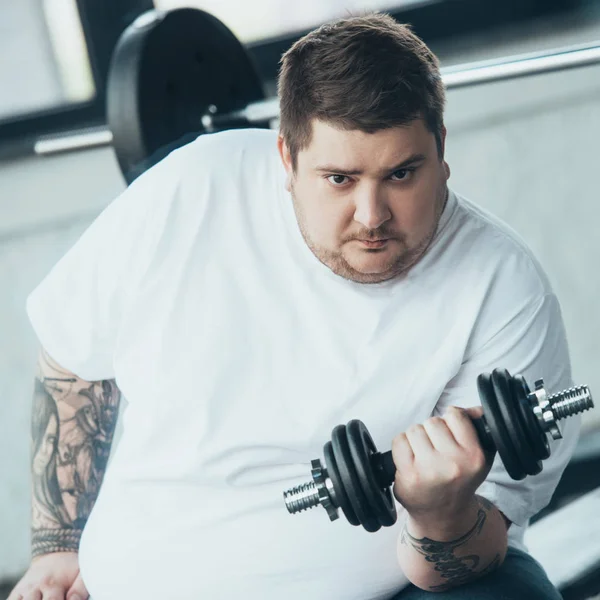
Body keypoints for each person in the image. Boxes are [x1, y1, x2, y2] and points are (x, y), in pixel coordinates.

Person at [11, 12, 579, 600]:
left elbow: (472, 548)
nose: (372, 215)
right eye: (339, 178)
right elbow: (74, 357)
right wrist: (57, 549)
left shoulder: (503, 286)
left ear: (440, 148)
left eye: (402, 173)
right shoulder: (190, 189)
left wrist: (443, 514)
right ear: (285, 158)